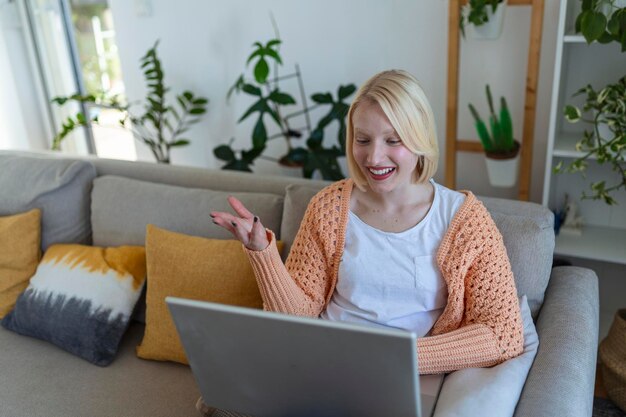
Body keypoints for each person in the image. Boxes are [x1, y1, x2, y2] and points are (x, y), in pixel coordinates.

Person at [202, 69, 524, 415]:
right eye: (363, 139)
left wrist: (402, 357)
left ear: (419, 139)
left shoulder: (464, 222)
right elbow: (298, 316)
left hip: (401, 377)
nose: (373, 158)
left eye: (392, 140)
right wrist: (261, 253)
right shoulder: (328, 208)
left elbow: (502, 334)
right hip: (322, 362)